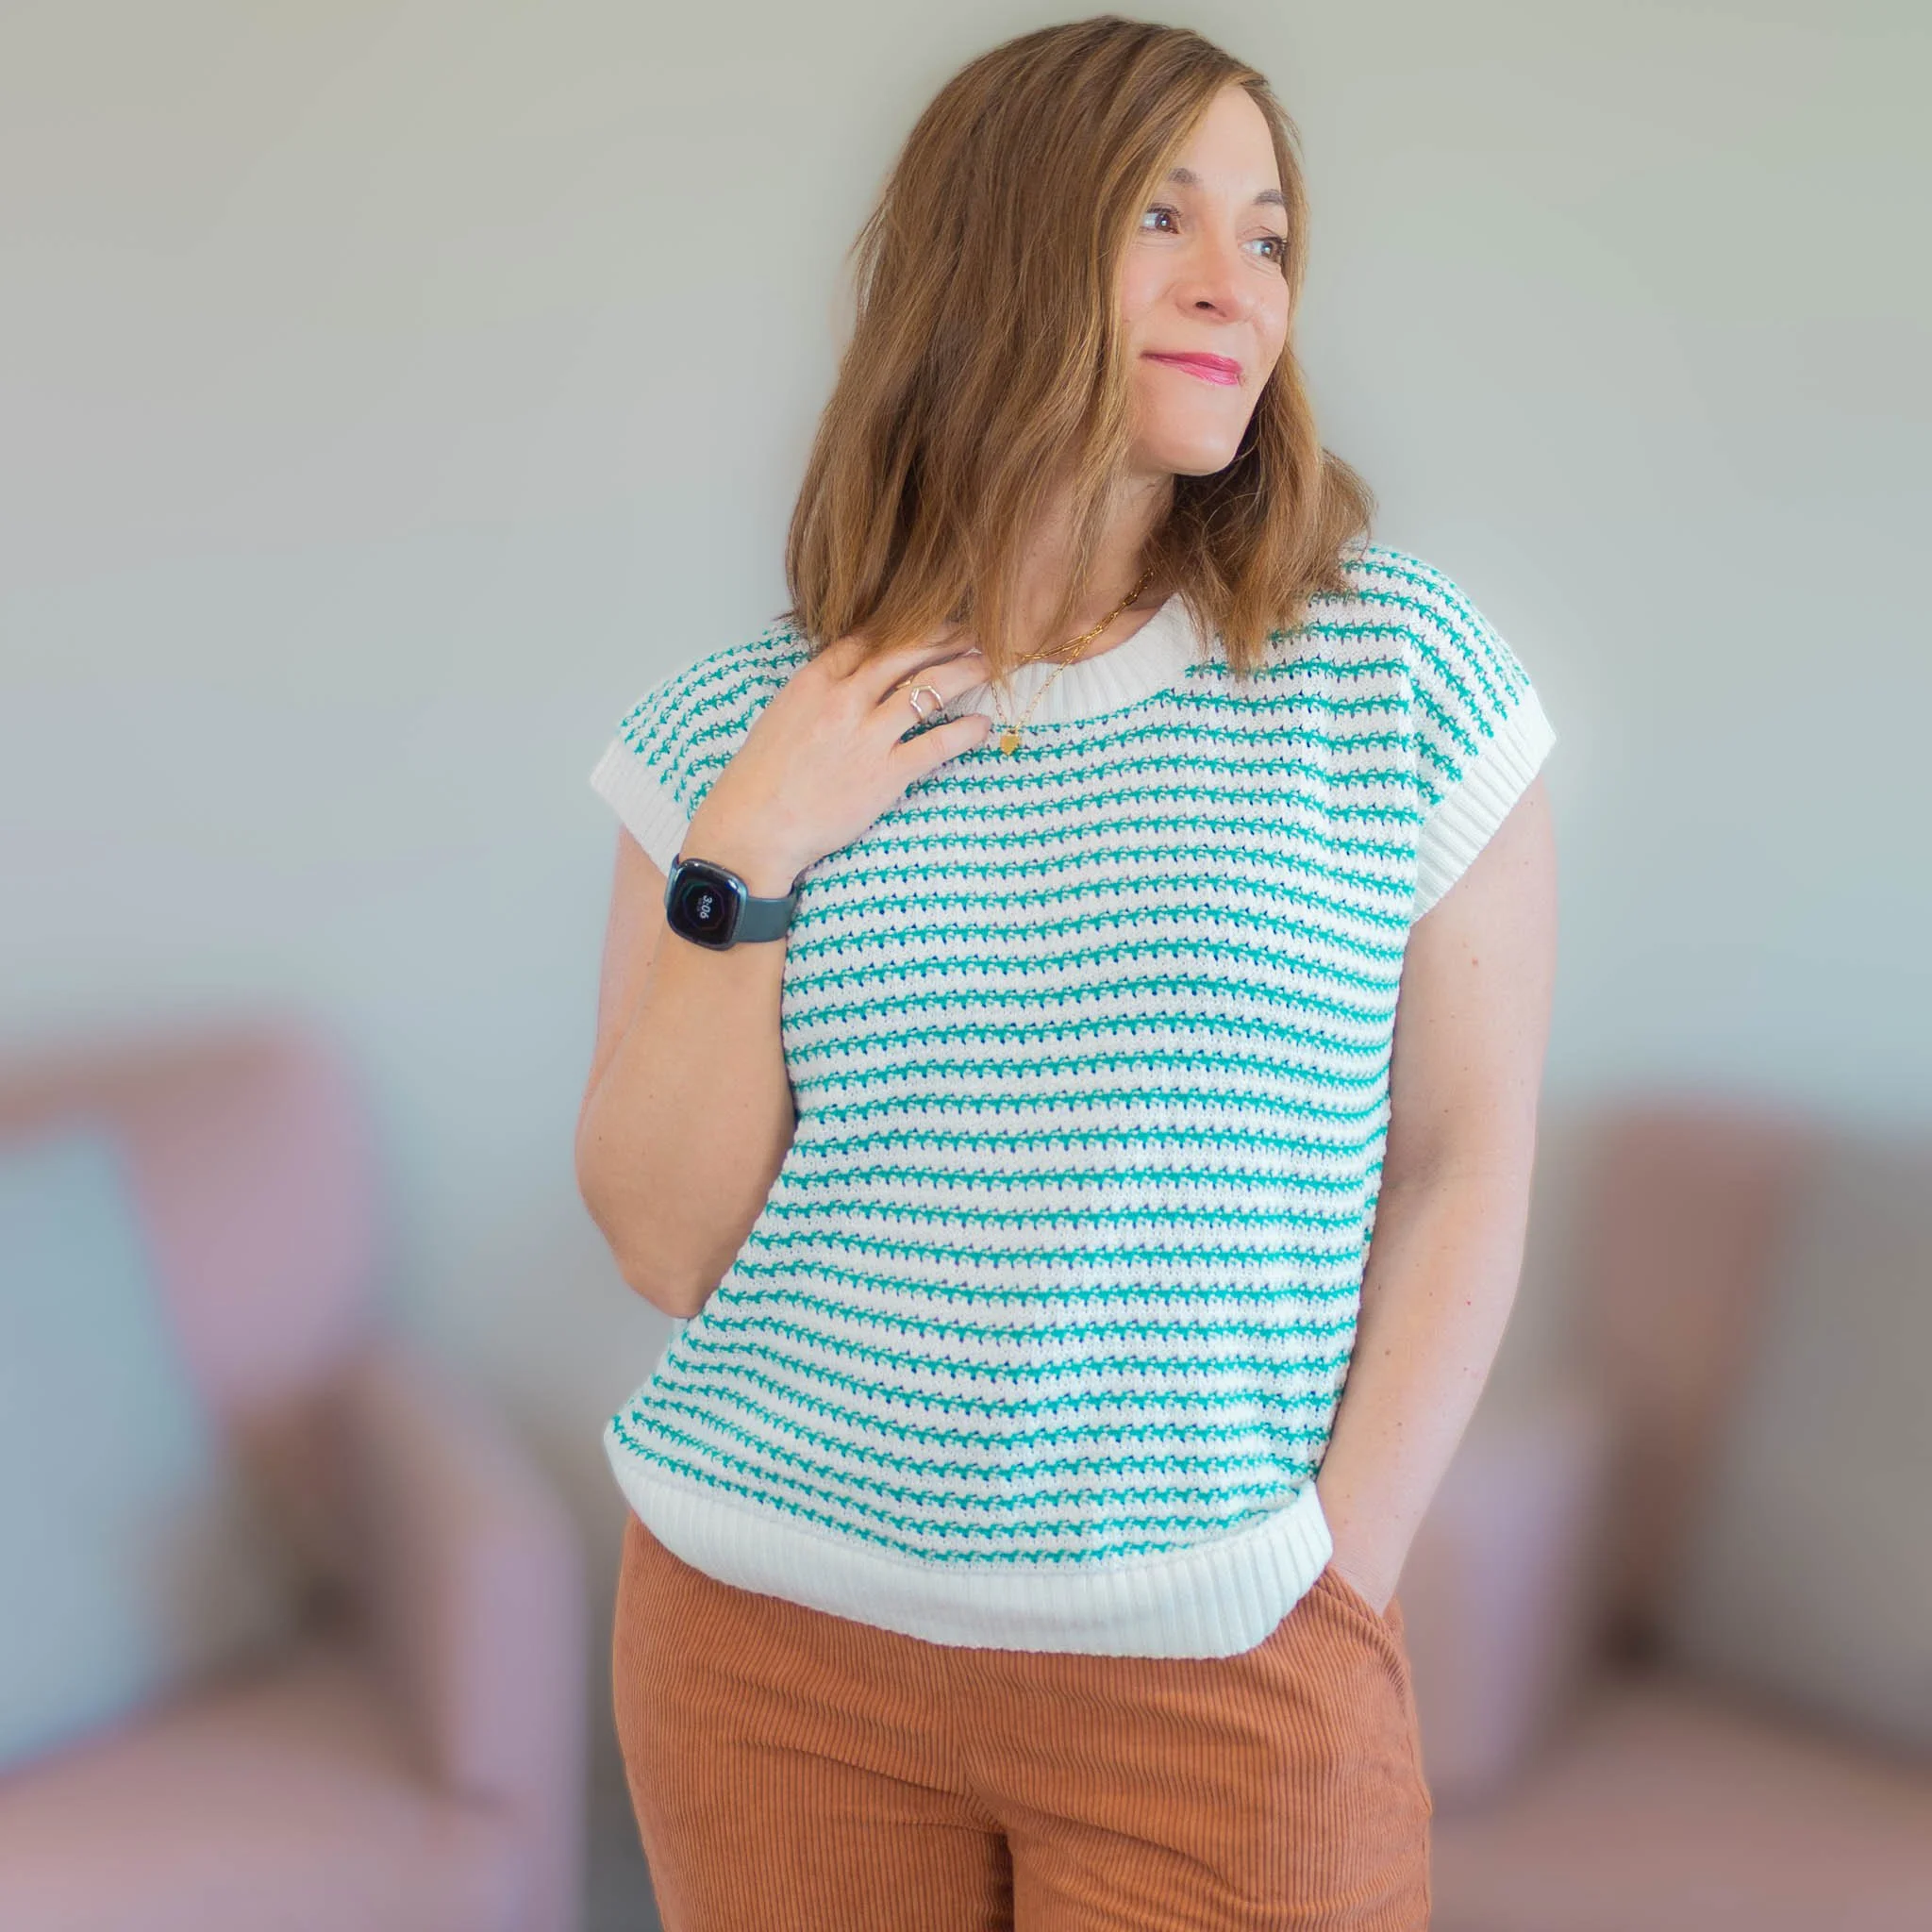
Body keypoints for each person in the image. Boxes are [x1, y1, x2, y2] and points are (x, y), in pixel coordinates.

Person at [576, 16, 1557, 1930]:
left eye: (1267, 237)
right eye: (1159, 218)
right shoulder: (736, 734)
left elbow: (1463, 1166)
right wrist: (749, 847)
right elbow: (662, 1244)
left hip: (1221, 1664)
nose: (1233, 288)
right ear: (1000, 253)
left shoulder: (1398, 679)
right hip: (763, 1643)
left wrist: (1329, 1577)